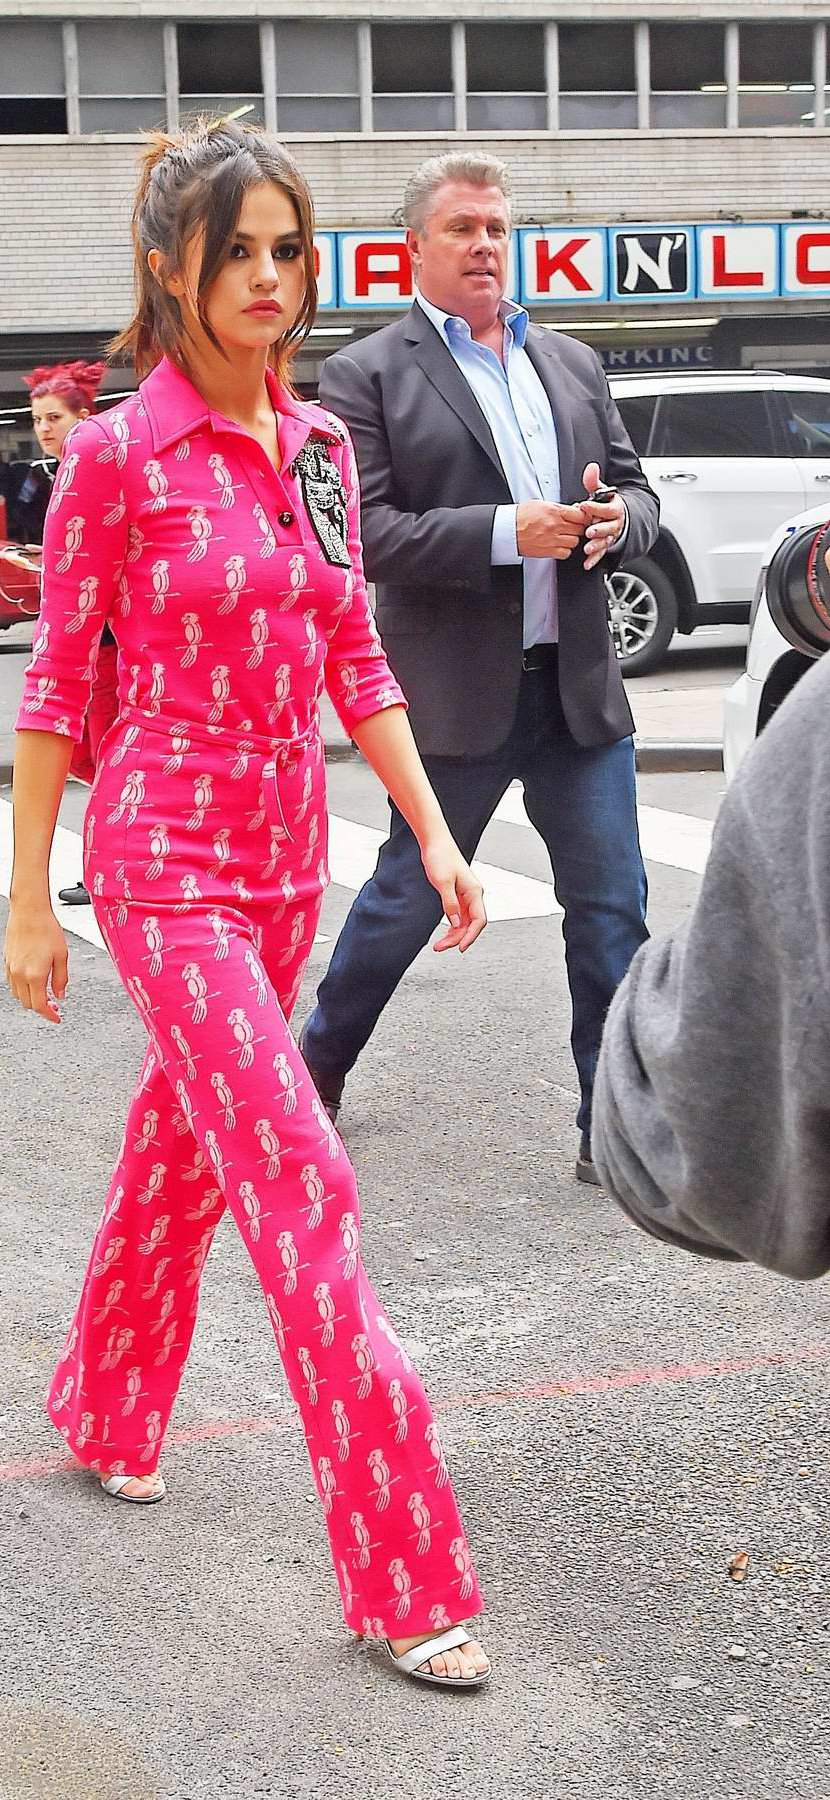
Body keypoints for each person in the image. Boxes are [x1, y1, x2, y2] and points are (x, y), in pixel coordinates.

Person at [5, 119, 493, 1690]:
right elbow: (51, 700)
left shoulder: (326, 454)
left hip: (290, 861)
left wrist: (430, 835)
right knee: (298, 1179)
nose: (271, 279)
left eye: (291, 248)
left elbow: (358, 659)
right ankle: (405, 1571)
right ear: (171, 266)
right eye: (238, 252)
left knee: (183, 1149)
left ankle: (102, 1402)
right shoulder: (113, 458)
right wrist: (30, 905)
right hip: (162, 863)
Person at [297, 151, 661, 1185]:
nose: (485, 245)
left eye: (497, 227)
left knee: (613, 911)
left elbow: (638, 493)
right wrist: (511, 531)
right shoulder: (366, 375)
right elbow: (362, 535)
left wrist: (612, 522)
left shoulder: (575, 364)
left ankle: (614, 1127)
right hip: (453, 699)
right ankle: (316, 1071)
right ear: (412, 247)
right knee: (404, 902)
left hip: (577, 693)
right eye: (461, 227)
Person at [593, 641, 830, 1281]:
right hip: (464, 717)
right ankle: (325, 1066)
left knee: (611, 910)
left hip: (580, 715)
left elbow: (702, 1129)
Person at [20, 361, 117, 906]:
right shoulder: (44, 475)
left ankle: (103, 864)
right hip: (72, 639)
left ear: (84, 416)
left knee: (103, 754)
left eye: (54, 417)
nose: (44, 428)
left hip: (108, 643)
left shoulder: (101, 465)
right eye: (37, 419)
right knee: (85, 753)